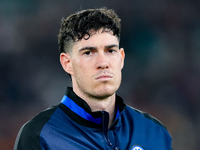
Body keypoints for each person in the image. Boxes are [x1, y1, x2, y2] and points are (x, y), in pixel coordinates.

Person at [14, 7, 172, 150]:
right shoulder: (40, 136)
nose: (103, 63)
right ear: (67, 63)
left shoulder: (154, 132)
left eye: (110, 51)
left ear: (121, 58)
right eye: (88, 52)